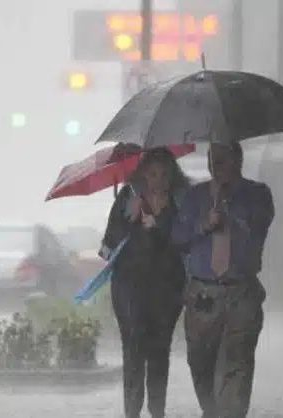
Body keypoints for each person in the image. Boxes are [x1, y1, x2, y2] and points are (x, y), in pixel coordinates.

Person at [171, 141, 274, 418]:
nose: (216, 166)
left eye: (223, 159)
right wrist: (204, 224)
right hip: (203, 293)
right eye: (212, 159)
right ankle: (212, 409)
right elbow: (178, 237)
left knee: (237, 363)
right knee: (199, 360)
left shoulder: (257, 194)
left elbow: (259, 226)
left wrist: (229, 212)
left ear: (238, 161)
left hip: (241, 292)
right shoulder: (195, 197)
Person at [100, 147, 189, 418]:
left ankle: (157, 412)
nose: (158, 181)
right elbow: (107, 248)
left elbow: (187, 242)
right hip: (130, 288)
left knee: (160, 351)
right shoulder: (128, 198)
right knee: (134, 350)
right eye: (152, 174)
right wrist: (128, 221)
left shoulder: (182, 202)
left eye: (164, 174)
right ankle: (132, 412)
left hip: (166, 289)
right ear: (142, 174)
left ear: (173, 176)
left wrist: (159, 226)